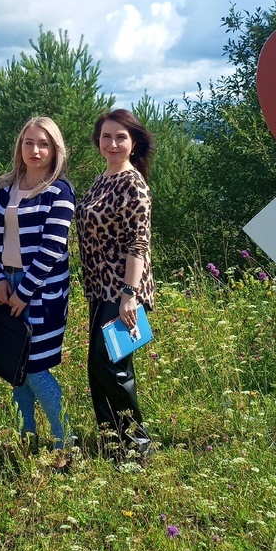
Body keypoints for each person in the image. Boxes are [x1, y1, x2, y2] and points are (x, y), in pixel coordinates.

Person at [0, 116, 75, 449]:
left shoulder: (59, 191)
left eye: (43, 144)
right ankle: (27, 439)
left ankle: (65, 440)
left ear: (55, 150)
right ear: (19, 147)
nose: (35, 150)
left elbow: (53, 248)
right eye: (29, 143)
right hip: (7, 282)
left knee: (35, 368)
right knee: (14, 367)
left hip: (43, 290)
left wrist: (24, 291)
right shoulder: (5, 188)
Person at [75, 108, 156, 460]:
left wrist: (129, 295)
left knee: (114, 365)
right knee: (98, 366)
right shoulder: (101, 180)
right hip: (99, 288)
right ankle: (111, 441)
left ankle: (137, 445)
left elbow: (138, 243)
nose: (113, 143)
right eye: (106, 137)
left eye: (121, 137)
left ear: (134, 142)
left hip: (122, 289)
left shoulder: (133, 183)